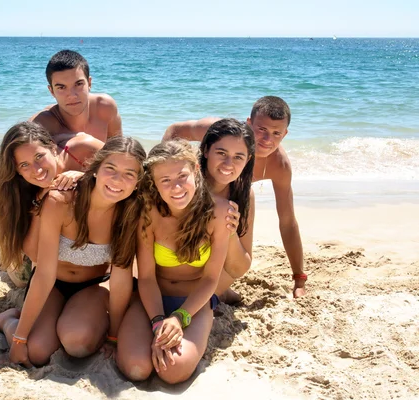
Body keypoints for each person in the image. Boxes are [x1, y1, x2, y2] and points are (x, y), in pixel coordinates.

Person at [0, 136, 145, 367]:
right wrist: (19, 338)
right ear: (96, 169)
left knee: (78, 343)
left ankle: (73, 319)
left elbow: (121, 277)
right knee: (37, 352)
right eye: (110, 169)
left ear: (138, 181)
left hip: (93, 286)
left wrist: (113, 335)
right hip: (53, 285)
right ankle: (8, 320)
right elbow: (43, 273)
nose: (116, 180)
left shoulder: (130, 211)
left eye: (128, 174)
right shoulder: (60, 200)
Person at [163, 96, 307, 298]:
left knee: (231, 236)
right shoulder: (218, 132)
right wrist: (167, 171)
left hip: (227, 202)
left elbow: (287, 221)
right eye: (261, 130)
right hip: (196, 191)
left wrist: (299, 278)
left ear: (285, 134)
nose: (267, 140)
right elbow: (175, 130)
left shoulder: (278, 165)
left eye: (276, 133)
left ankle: (219, 290)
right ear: (249, 123)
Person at [116, 140, 230, 384]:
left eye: (182, 176)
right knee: (137, 368)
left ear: (196, 171)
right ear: (155, 184)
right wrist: (158, 322)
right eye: (165, 181)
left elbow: (211, 278)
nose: (176, 187)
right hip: (151, 299)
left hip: (194, 303)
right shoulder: (148, 214)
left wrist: (180, 317)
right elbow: (145, 277)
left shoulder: (219, 212)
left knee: (173, 371)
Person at [0, 121, 104, 286]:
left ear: (52, 147)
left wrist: (86, 177)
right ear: (17, 171)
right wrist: (39, 203)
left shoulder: (84, 149)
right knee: (22, 281)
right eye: (24, 165)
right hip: (33, 254)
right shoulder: (20, 189)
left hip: (81, 254)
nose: (37, 170)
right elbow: (34, 254)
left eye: (39, 157)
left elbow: (127, 169)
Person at [199, 119, 255, 304]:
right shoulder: (184, 184)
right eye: (221, 153)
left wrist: (230, 234)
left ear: (247, 160)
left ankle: (219, 293)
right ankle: (221, 294)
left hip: (214, 272)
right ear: (206, 150)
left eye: (238, 157)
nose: (228, 164)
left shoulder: (243, 194)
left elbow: (239, 269)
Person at [30, 50, 122, 145]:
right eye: (61, 87)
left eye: (78, 84)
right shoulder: (42, 124)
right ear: (52, 91)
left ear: (89, 83)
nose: (72, 95)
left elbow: (120, 154)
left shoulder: (105, 107)